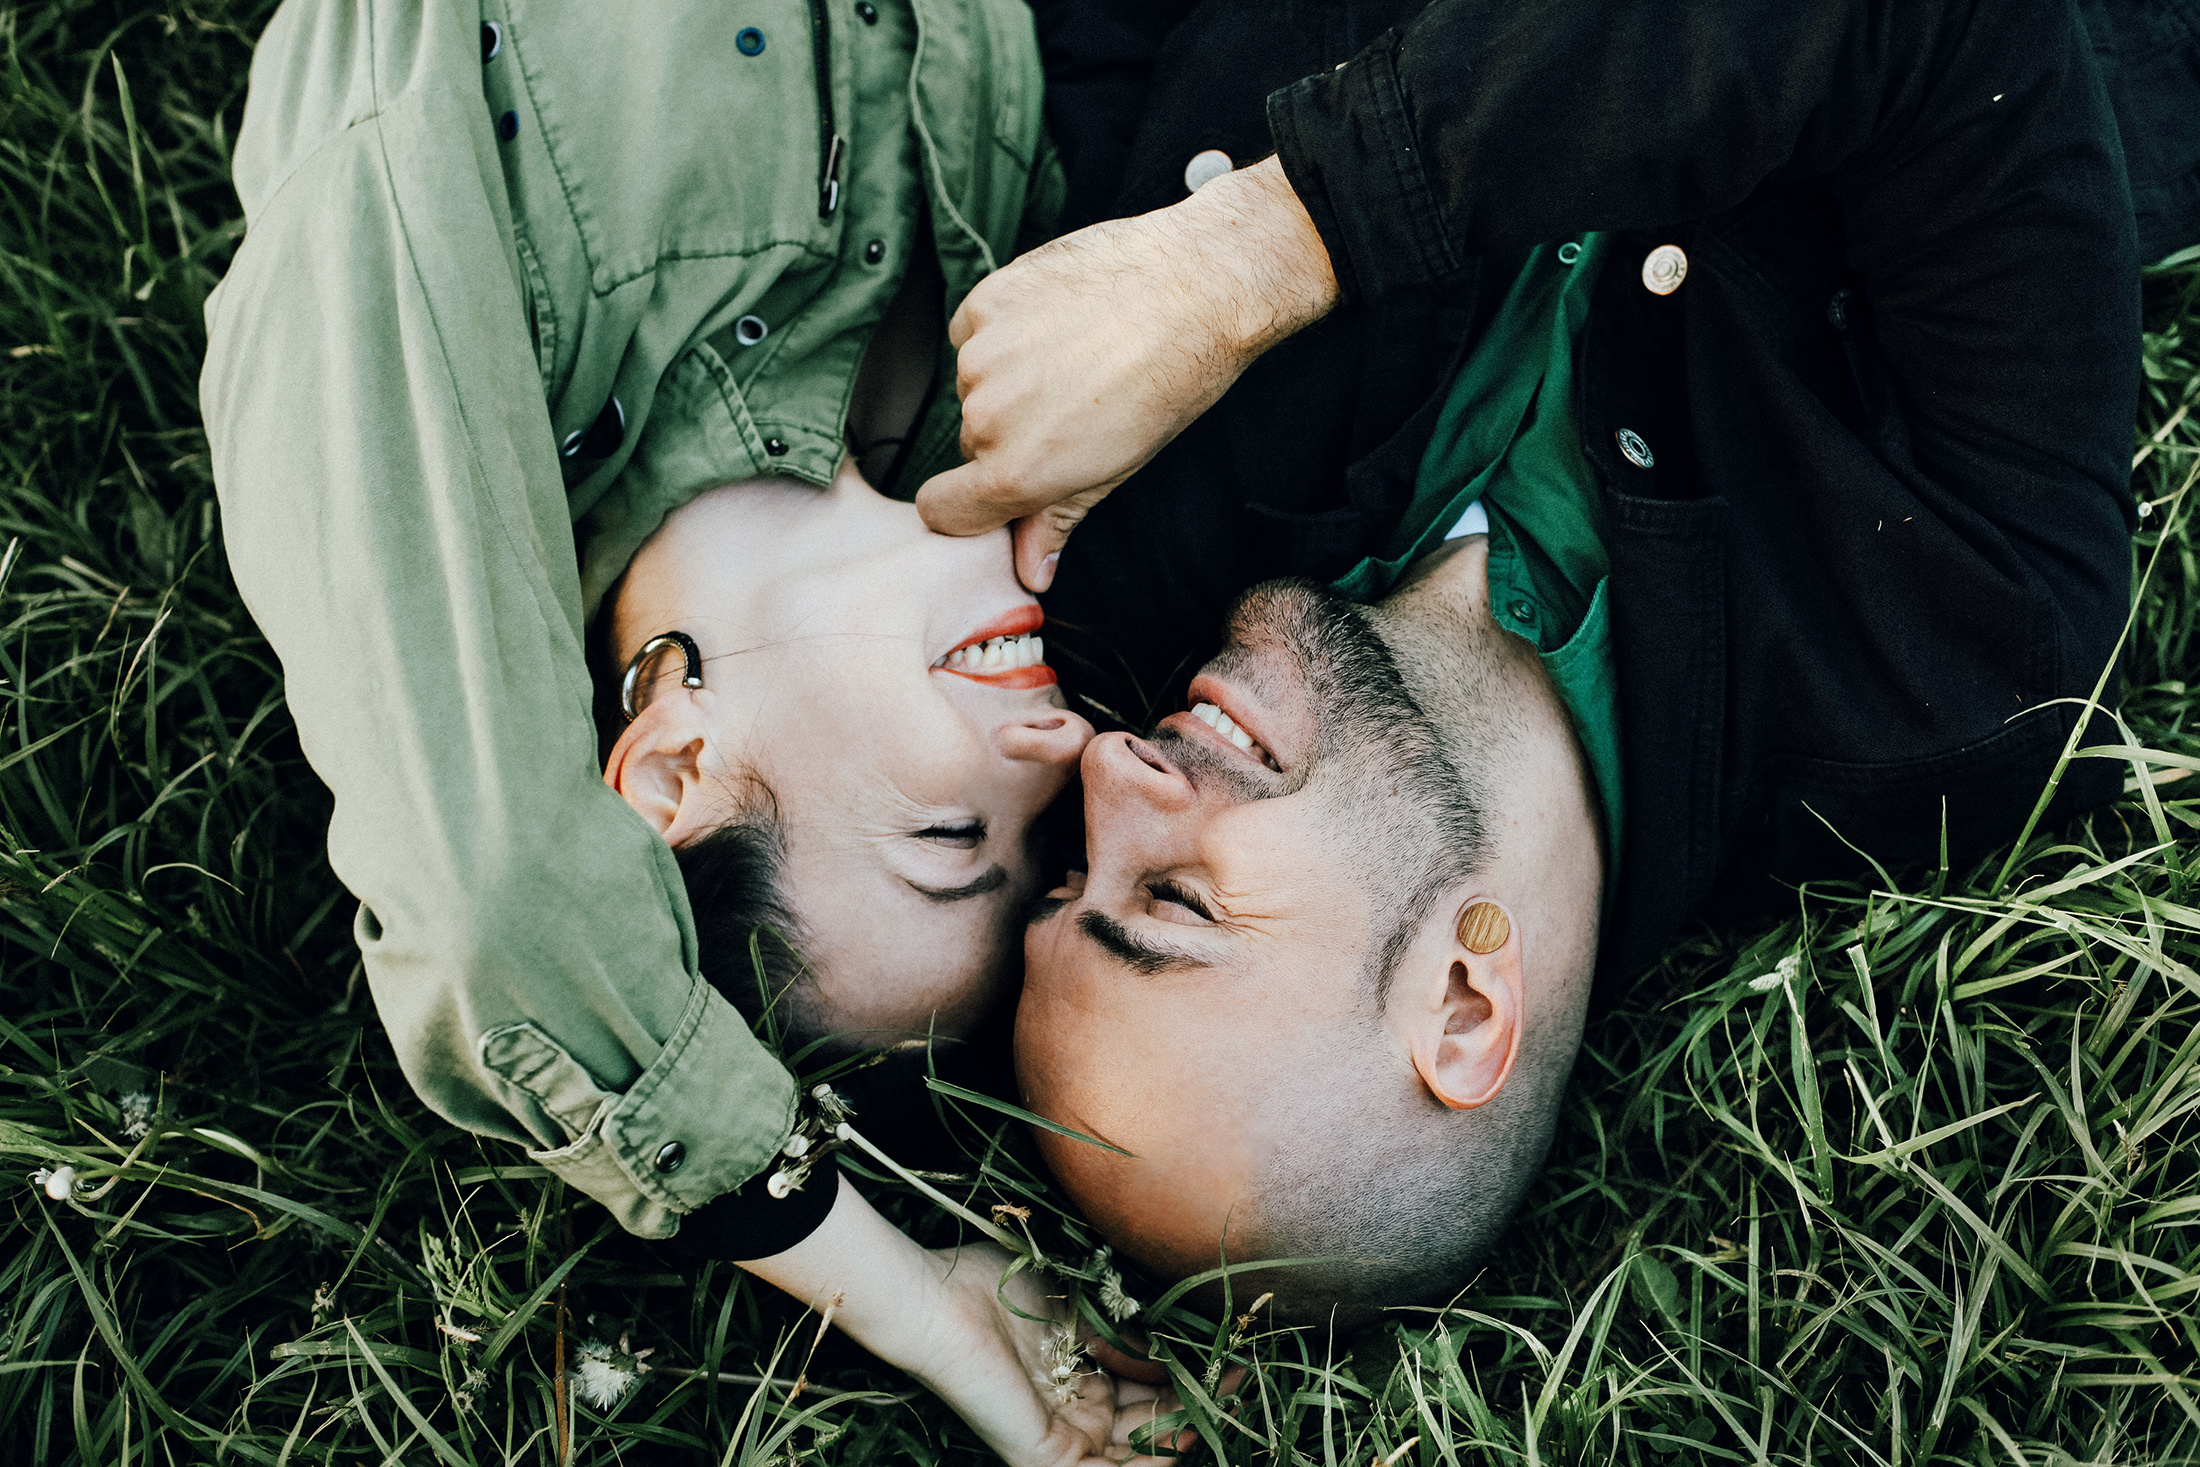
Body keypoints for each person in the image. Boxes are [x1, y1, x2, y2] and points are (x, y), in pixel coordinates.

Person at [927, 0, 2199, 1322]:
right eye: (1176, 903)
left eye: (1074, 872)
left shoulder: (1140, 538)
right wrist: (1267, 246)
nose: (1106, 771)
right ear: (1467, 997)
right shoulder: (1945, 665)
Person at [199, 1, 1161, 1457]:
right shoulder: (1009, 310)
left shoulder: (463, 315)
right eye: (1051, 838)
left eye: (953, 838)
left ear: (674, 766)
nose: (1056, 757)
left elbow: (497, 902)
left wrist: (915, 1303)